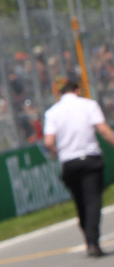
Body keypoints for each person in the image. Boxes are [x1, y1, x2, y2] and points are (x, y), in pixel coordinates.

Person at [43, 77, 114, 257]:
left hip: (69, 162)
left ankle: (88, 238)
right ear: (77, 90)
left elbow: (49, 142)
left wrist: (58, 153)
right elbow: (104, 130)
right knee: (93, 201)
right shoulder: (89, 105)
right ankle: (93, 242)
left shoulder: (52, 112)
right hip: (90, 158)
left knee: (80, 202)